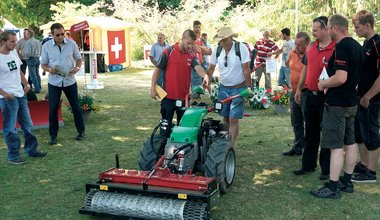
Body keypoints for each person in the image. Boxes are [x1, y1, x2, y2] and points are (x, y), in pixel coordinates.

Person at [310, 14, 364, 199]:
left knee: (335, 146)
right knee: (350, 143)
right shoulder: (358, 46)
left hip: (337, 104)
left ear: (335, 28)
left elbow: (341, 77)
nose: (328, 31)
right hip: (351, 102)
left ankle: (333, 187)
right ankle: (346, 182)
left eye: (330, 28)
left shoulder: (342, 46)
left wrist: (323, 84)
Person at [293, 16, 335, 180]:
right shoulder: (311, 46)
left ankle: (326, 169)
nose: (313, 32)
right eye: (312, 29)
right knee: (310, 131)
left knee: (326, 134)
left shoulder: (336, 48)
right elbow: (305, 68)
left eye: (316, 30)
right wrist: (299, 88)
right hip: (309, 95)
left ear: (326, 29)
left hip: (327, 97)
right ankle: (308, 164)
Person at [0, 32, 47, 165]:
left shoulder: (14, 53)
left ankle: (32, 150)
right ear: (3, 41)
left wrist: (26, 84)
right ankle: (13, 155)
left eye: (15, 41)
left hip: (21, 95)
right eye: (12, 42)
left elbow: (18, 71)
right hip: (8, 98)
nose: (16, 44)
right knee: (10, 128)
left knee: (28, 125)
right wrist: (5, 94)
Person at [149, 29, 209, 134]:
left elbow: (198, 67)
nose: (190, 46)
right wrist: (152, 88)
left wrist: (205, 76)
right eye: (188, 43)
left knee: (182, 129)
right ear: (182, 39)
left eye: (192, 44)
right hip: (168, 97)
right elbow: (157, 70)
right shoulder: (168, 51)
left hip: (184, 98)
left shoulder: (191, 55)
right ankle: (163, 148)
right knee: (165, 130)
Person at [40, 23, 85, 145]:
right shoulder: (46, 46)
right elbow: (43, 64)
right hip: (54, 82)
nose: (60, 37)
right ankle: (53, 136)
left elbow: (79, 58)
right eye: (57, 35)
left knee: (75, 106)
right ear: (52, 35)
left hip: (69, 80)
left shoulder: (72, 44)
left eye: (62, 34)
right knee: (53, 108)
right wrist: (49, 69)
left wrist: (77, 67)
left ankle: (81, 131)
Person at [207, 27, 251, 147]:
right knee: (225, 117)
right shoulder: (217, 49)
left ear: (231, 38)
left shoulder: (241, 48)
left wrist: (249, 88)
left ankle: (230, 147)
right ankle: (224, 143)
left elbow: (246, 69)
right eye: (221, 40)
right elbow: (211, 69)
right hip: (223, 89)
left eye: (225, 40)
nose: (223, 43)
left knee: (233, 119)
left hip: (238, 88)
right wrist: (205, 82)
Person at [351, 10, 380, 183]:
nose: (355, 30)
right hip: (360, 96)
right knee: (359, 133)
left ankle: (371, 172)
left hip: (372, 99)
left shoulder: (378, 43)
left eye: (357, 26)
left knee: (371, 134)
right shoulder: (365, 43)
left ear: (367, 25)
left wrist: (368, 96)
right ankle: (364, 164)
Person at [282, 32, 310, 156]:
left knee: (308, 122)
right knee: (296, 121)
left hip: (306, 92)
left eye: (300, 45)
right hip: (293, 92)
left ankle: (308, 149)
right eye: (296, 44)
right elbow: (288, 63)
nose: (297, 47)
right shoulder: (293, 53)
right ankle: (298, 147)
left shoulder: (310, 55)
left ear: (307, 44)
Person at [191, 20, 212, 88]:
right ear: (193, 27)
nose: (198, 29)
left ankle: (210, 95)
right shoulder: (190, 37)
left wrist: (199, 48)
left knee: (205, 80)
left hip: (202, 61)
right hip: (194, 62)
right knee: (196, 83)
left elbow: (208, 51)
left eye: (199, 27)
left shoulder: (201, 39)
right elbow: (193, 48)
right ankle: (194, 97)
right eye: (196, 27)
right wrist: (199, 48)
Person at [23, 29, 42, 93]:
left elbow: (27, 53)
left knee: (33, 75)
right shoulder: (37, 41)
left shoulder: (28, 42)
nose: (25, 34)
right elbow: (41, 49)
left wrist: (26, 58)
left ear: (29, 34)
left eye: (26, 33)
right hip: (37, 58)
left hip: (31, 58)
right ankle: (39, 87)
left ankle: (37, 89)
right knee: (37, 74)